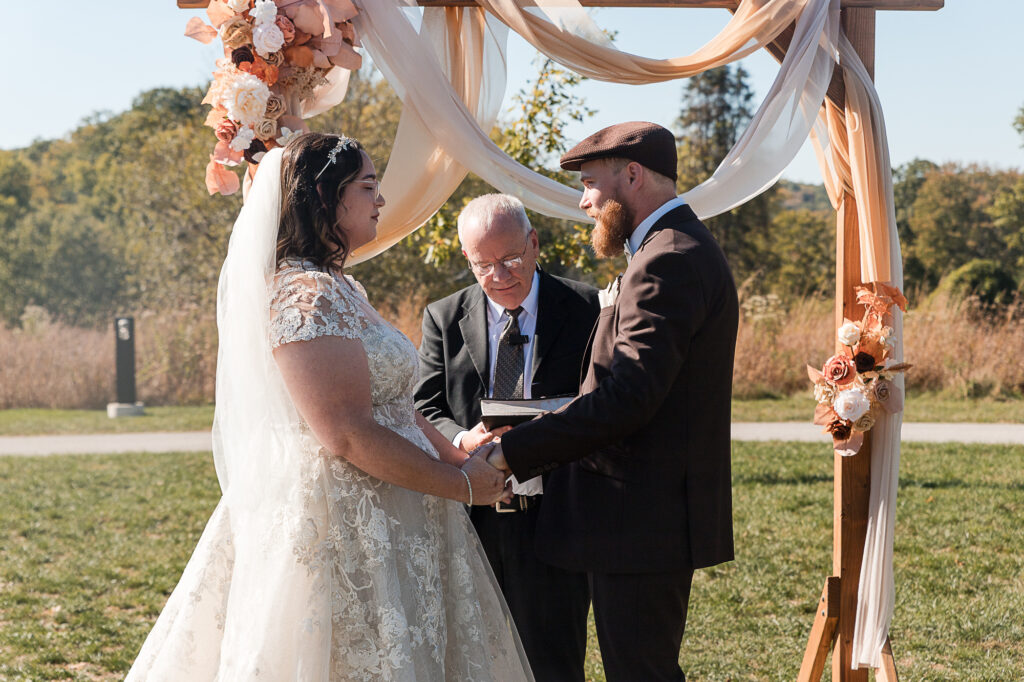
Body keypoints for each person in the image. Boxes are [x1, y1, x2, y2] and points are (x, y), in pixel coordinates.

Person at [126, 133, 533, 681]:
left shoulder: (343, 288)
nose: (381, 200)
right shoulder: (304, 295)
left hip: (405, 502)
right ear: (325, 196)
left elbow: (396, 406)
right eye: (367, 186)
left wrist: (458, 459)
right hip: (344, 521)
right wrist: (460, 488)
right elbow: (347, 433)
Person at [484, 122, 739, 681]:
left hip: (642, 519)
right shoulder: (665, 249)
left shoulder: (667, 259)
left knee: (641, 672)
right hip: (637, 518)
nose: (584, 201)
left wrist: (511, 453)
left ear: (632, 175)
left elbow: (626, 396)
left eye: (591, 185)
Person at [414, 194, 598, 681]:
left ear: (534, 243)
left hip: (557, 514)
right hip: (471, 513)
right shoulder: (443, 316)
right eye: (483, 265)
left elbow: (603, 401)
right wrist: (461, 439)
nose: (498, 276)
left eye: (511, 259)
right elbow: (424, 406)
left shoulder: (587, 308)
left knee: (554, 662)